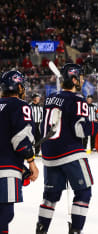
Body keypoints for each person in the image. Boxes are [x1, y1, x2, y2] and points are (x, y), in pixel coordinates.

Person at [36, 64, 98, 234]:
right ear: (74, 80)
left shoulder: (50, 98)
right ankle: (75, 231)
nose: (82, 80)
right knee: (83, 192)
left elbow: (41, 129)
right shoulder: (77, 99)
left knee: (50, 197)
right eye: (80, 77)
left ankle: (41, 230)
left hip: (49, 155)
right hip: (70, 153)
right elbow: (80, 129)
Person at [0, 71, 39, 233]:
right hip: (5, 169)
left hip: (7, 164)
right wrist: (31, 163)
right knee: (5, 214)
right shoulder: (21, 106)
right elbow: (20, 141)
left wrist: (20, 168)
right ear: (19, 87)